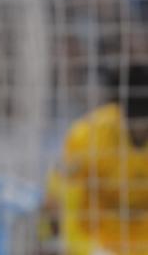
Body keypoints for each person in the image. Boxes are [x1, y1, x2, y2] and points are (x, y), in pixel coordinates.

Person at [51, 65, 148, 255]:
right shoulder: (88, 136)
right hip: (95, 244)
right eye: (133, 120)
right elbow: (57, 197)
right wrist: (87, 249)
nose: (140, 129)